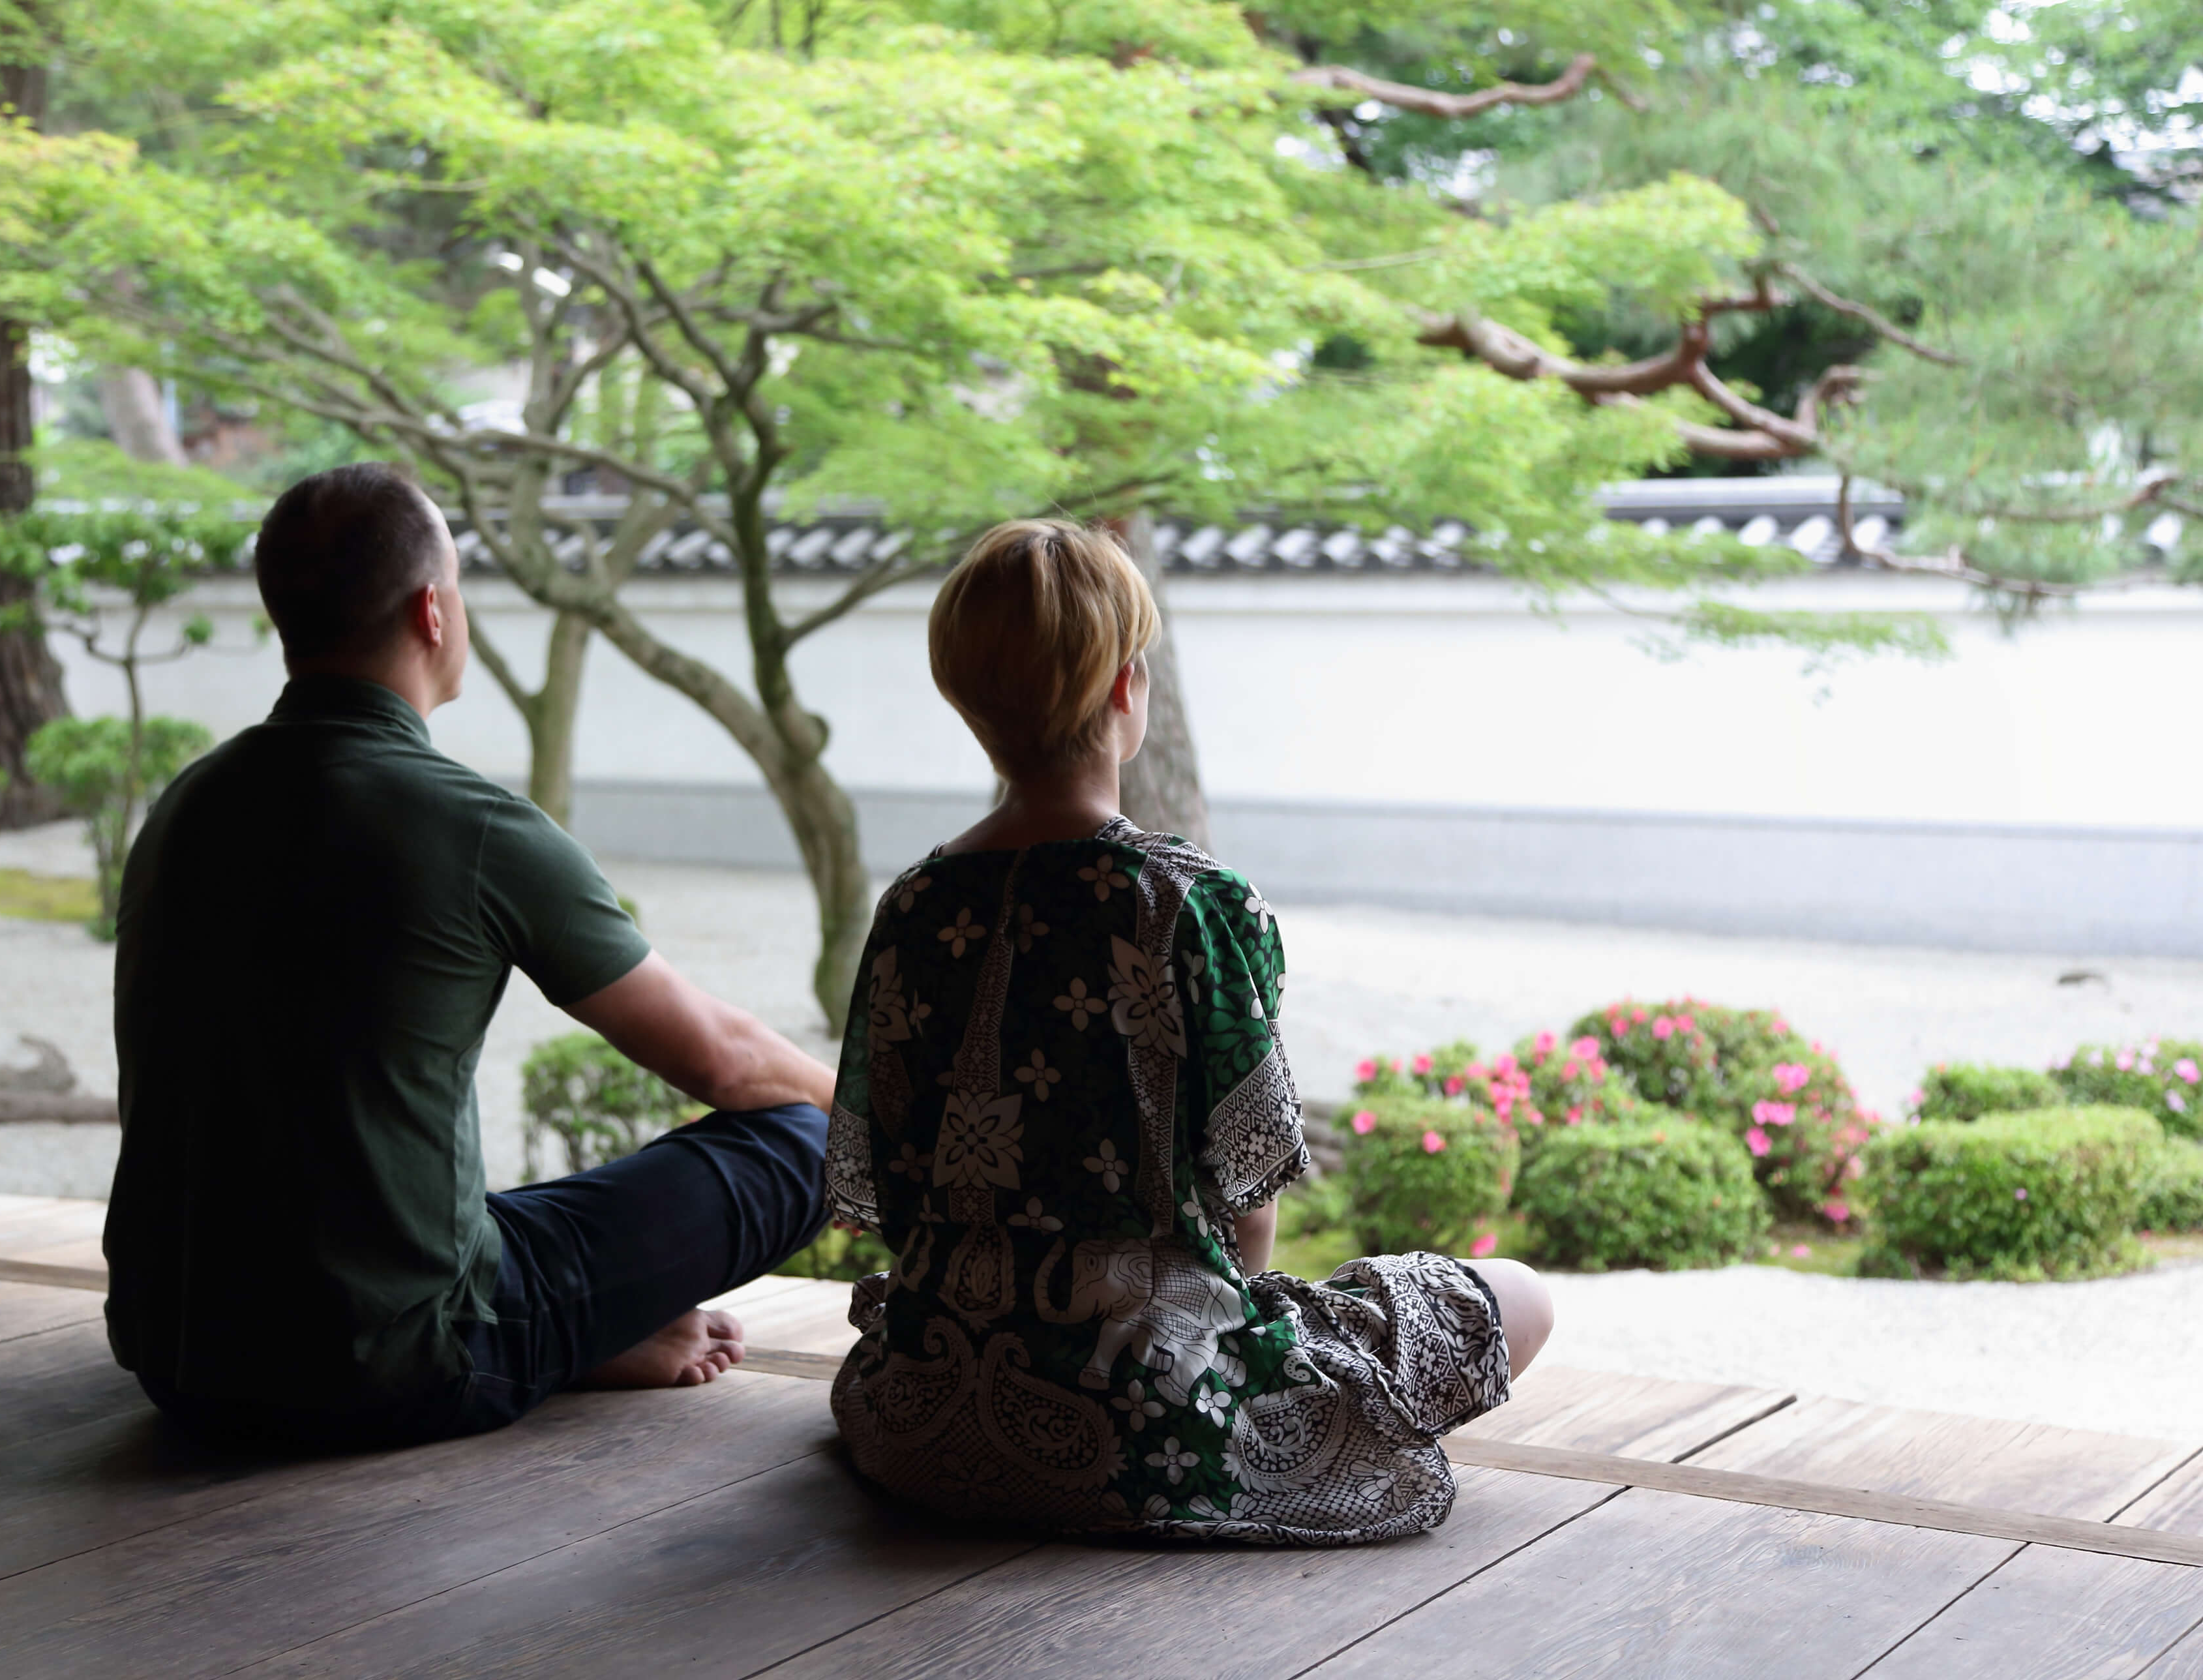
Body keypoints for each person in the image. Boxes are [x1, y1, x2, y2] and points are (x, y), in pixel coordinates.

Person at [823, 518, 1553, 1542]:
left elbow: (894, 1192)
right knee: (1513, 1298)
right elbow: (1247, 1209)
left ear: (966, 704)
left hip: (925, 1416)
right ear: (1129, 689)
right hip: (1154, 1430)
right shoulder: (1190, 903)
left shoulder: (912, 907)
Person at [104, 462, 836, 1449]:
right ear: (433, 612)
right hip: (389, 1363)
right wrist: (890, 1128)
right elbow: (727, 1062)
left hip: (180, 1354)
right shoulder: (468, 821)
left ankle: (571, 1334)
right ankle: (547, 1343)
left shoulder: (188, 803)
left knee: (472, 1207)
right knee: (804, 1138)